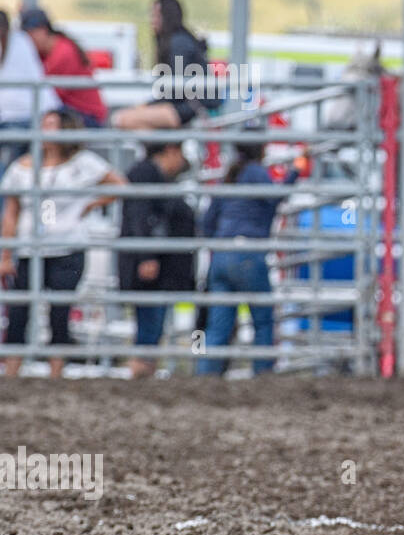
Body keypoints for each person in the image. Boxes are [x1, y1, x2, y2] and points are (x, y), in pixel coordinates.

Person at [0, 110, 126, 377]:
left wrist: (91, 203)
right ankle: (12, 373)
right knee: (19, 313)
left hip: (67, 247)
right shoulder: (22, 167)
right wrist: (6, 255)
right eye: (43, 125)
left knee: (60, 313)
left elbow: (119, 185)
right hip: (29, 249)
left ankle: (55, 374)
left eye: (52, 125)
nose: (46, 131)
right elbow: (10, 213)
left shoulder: (83, 163)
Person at [196, 141, 298, 376]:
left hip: (221, 255)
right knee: (262, 321)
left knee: (217, 325)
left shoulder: (229, 177)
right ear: (261, 150)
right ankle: (262, 374)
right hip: (249, 252)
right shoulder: (255, 172)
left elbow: (208, 220)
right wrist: (295, 172)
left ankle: (205, 376)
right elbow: (276, 197)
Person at [119, 141, 197, 379]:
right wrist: (148, 256)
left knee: (151, 324)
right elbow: (141, 216)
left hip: (158, 264)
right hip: (153, 266)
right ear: (170, 150)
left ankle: (145, 372)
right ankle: (141, 373)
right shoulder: (146, 174)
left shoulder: (153, 175)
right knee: (150, 323)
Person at [113, 0, 213, 129]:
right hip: (186, 106)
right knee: (134, 118)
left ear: (167, 17)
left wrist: (148, 106)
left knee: (121, 119)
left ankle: (162, 148)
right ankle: (162, 149)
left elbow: (176, 91)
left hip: (192, 108)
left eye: (155, 16)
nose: (152, 21)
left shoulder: (179, 44)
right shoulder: (179, 40)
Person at [18, 8, 108, 127]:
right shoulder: (45, 52)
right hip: (70, 113)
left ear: (43, 30)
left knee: (26, 126)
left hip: (87, 117)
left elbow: (47, 97)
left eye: (30, 35)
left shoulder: (63, 52)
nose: (28, 41)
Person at [0, 10, 60, 178]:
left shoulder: (16, 41)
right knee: (22, 170)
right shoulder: (22, 40)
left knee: (12, 173)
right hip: (39, 114)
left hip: (14, 119)